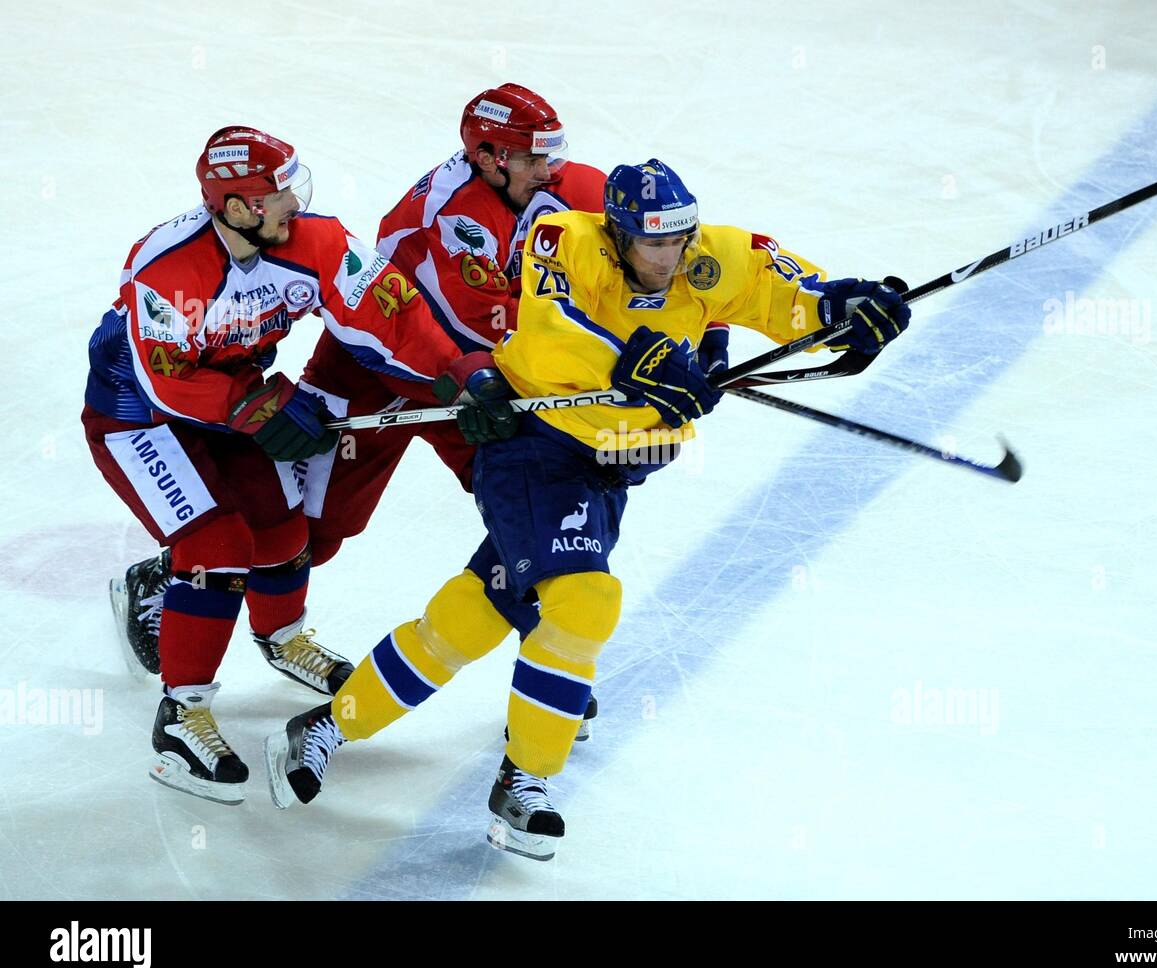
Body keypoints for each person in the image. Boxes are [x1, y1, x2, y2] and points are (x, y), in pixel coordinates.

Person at [265, 159, 910, 860]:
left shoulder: (707, 255)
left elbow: (786, 290)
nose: (671, 257)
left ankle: (328, 724)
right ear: (618, 235)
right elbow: (548, 328)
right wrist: (637, 359)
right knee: (583, 602)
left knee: (473, 616)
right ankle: (526, 780)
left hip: (609, 467)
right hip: (533, 449)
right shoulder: (562, 239)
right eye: (653, 242)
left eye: (680, 239)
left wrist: (845, 309)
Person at [110, 86, 618, 738]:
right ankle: (169, 573)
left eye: (551, 154)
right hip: (381, 372)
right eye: (530, 157)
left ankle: (556, 666)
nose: (549, 170)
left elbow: (648, 263)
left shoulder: (580, 189)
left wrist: (686, 337)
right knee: (306, 535)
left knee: (536, 503)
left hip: (476, 380)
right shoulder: (443, 215)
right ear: (489, 157)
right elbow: (403, 319)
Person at [84, 125, 486, 804]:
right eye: (278, 196)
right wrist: (255, 407)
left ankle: (280, 635)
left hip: (235, 392)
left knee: (285, 528)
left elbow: (392, 313)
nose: (293, 206)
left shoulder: (317, 242)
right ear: (236, 207)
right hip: (137, 412)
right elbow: (165, 380)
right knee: (217, 547)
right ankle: (180, 715)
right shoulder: (166, 268)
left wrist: (457, 371)